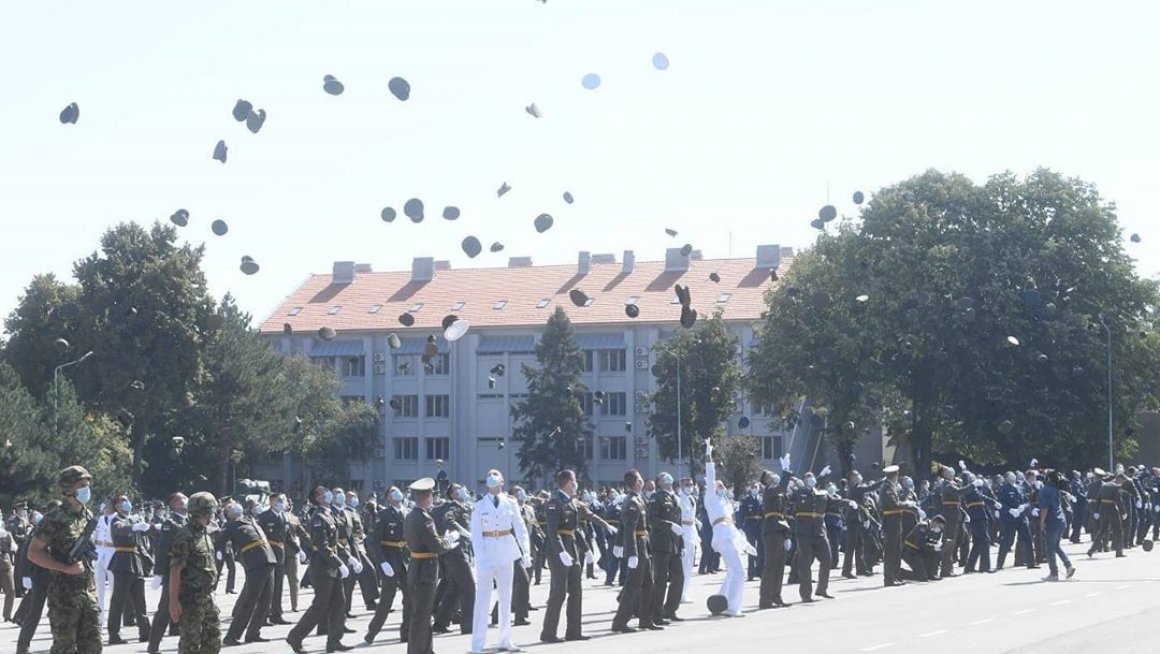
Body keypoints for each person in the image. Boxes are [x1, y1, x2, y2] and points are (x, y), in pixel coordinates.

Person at [27, 466, 101, 654]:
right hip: (64, 594)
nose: (87, 489)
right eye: (82, 485)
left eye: (88, 484)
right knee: (64, 648)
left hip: (88, 591)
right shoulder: (54, 518)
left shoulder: (87, 515)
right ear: (69, 489)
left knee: (93, 645)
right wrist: (64, 568)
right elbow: (34, 553)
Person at [470, 468, 531, 653]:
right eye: (489, 474)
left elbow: (520, 527)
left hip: (506, 550)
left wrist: (526, 552)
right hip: (487, 552)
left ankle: (505, 640)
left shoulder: (510, 502)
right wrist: (480, 558)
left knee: (506, 598)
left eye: (496, 475)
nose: (492, 477)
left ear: (503, 481)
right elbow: (475, 534)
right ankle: (477, 644)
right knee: (482, 601)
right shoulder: (479, 505)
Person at [286, 486, 352, 654]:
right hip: (322, 568)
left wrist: (347, 557)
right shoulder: (318, 517)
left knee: (340, 603)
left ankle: (334, 641)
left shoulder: (330, 514)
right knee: (320, 606)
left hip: (332, 567)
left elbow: (334, 542)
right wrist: (338, 563)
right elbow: (321, 545)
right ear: (317, 498)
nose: (329, 494)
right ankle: (295, 636)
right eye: (324, 493)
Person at [403, 478, 461, 654]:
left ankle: (426, 650)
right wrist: (449, 540)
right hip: (425, 570)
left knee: (423, 613)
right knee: (421, 616)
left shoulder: (410, 515)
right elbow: (435, 546)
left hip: (416, 568)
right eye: (431, 495)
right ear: (427, 497)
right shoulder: (425, 519)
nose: (433, 499)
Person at [702, 440, 752, 616]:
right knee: (739, 571)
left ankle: (720, 601)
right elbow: (710, 477)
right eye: (719, 486)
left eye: (723, 485)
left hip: (730, 536)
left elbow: (732, 526)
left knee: (733, 571)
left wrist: (745, 544)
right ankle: (732, 607)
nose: (721, 487)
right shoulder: (711, 499)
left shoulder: (726, 503)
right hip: (722, 536)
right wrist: (708, 456)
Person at [168, 492, 220, 654]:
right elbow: (176, 571)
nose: (212, 515)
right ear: (204, 512)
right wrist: (173, 603)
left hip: (207, 597)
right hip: (191, 600)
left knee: (213, 640)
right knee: (190, 645)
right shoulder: (186, 536)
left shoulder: (204, 533)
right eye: (211, 511)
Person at [220, 499, 276, 645]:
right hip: (254, 562)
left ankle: (253, 633)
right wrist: (219, 555)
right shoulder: (230, 526)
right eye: (230, 507)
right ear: (228, 514)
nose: (235, 507)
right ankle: (232, 636)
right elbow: (219, 542)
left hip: (268, 559)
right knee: (250, 601)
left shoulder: (249, 519)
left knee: (266, 600)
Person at [611, 469, 660, 632]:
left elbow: (622, 525)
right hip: (637, 546)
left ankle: (646, 620)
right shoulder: (631, 501)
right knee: (633, 586)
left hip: (643, 545)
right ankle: (620, 622)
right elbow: (628, 528)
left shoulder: (639, 499)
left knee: (648, 585)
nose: (642, 482)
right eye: (640, 479)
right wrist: (631, 553)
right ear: (636, 482)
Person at [540, 470, 586, 643]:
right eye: (574, 480)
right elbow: (552, 531)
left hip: (571, 549)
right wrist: (560, 551)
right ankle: (548, 633)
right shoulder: (555, 502)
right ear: (568, 482)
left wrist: (586, 549)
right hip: (558, 551)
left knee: (576, 590)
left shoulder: (571, 502)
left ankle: (574, 631)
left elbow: (575, 528)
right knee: (559, 592)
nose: (576, 483)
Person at [366, 486, 410, 645]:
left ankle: (406, 632)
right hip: (390, 559)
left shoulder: (408, 512)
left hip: (406, 559)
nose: (397, 494)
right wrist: (382, 562)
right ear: (388, 499)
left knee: (410, 598)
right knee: (387, 599)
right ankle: (372, 631)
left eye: (398, 491)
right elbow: (374, 542)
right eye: (392, 492)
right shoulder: (383, 515)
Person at [106, 494, 151, 645]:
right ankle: (114, 634)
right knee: (118, 600)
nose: (127, 503)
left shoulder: (134, 519)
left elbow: (143, 537)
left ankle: (145, 632)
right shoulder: (116, 520)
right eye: (123, 501)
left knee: (140, 599)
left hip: (136, 559)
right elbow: (120, 530)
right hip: (123, 561)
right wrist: (134, 527)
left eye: (127, 500)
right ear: (117, 506)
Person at [146, 493, 187, 654]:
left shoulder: (187, 521)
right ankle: (153, 646)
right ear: (175, 504)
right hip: (173, 572)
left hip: (188, 571)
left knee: (188, 608)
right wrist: (159, 573)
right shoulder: (170, 523)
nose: (185, 501)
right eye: (182, 499)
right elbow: (162, 549)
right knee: (165, 609)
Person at [648, 472, 685, 624]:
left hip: (674, 544)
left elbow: (679, 523)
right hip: (661, 543)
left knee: (679, 576)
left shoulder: (674, 497)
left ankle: (670, 609)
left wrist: (681, 544)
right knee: (661, 579)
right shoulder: (656, 498)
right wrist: (669, 525)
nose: (669, 479)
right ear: (659, 483)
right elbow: (653, 520)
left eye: (670, 477)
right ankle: (656, 614)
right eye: (665, 478)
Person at [759, 461, 793, 607]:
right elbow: (782, 487)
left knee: (780, 565)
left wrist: (787, 535)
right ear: (766, 480)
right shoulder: (768, 490)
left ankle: (776, 596)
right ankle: (765, 599)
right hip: (771, 530)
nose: (774, 475)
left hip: (780, 530)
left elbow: (786, 505)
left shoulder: (778, 493)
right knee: (771, 565)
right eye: (770, 475)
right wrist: (785, 470)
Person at [256, 493, 292, 627]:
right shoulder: (264, 517)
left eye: (283, 500)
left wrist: (299, 550)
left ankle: (276, 614)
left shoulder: (284, 516)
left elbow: (287, 536)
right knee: (267, 588)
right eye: (279, 500)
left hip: (280, 553)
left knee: (278, 586)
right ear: (271, 502)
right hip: (269, 553)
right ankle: (263, 616)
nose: (282, 503)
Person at [1039, 471, 1076, 581]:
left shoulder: (1045, 489)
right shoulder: (1056, 489)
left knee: (1050, 548)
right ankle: (1068, 565)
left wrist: (1041, 522)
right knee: (1056, 546)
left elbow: (1045, 508)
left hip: (1052, 521)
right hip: (1061, 520)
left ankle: (1054, 573)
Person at [676, 479, 697, 603]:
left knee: (689, 565)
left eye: (691, 484)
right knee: (683, 565)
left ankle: (685, 592)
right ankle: (680, 593)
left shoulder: (691, 499)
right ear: (681, 486)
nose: (690, 487)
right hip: (684, 530)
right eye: (687, 485)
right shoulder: (679, 498)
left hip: (692, 530)